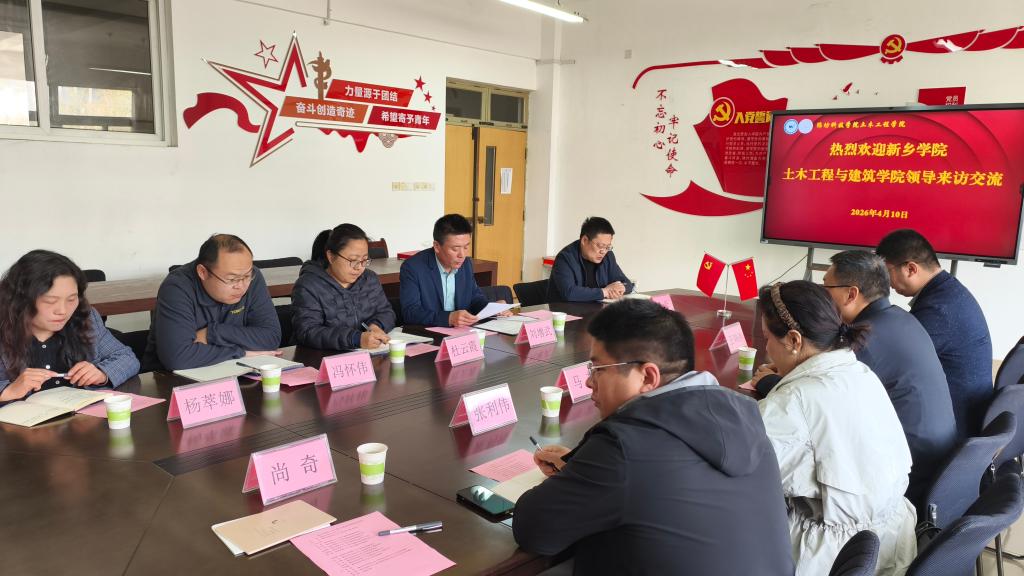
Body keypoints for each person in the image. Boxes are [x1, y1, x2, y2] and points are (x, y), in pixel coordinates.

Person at [513, 299, 794, 576]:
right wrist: (583, 467)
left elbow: (534, 529)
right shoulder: (746, 422)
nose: (588, 382)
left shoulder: (624, 447)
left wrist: (589, 468)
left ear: (648, 377)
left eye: (597, 369)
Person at [755, 251, 957, 513]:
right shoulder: (896, 320)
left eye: (826, 288)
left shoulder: (866, 344)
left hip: (899, 478)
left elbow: (815, 405)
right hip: (909, 476)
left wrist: (771, 382)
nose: (822, 296)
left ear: (851, 294)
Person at [756, 281, 916, 576]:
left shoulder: (793, 403)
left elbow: (744, 474)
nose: (766, 349)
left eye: (767, 338)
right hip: (888, 547)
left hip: (827, 558)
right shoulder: (860, 373)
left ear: (793, 339)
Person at [876, 229, 993, 439]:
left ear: (911, 268)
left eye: (887, 273)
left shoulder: (938, 310)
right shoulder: (948, 291)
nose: (888, 285)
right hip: (968, 414)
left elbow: (893, 363)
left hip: (954, 428)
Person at [0, 250, 139, 402]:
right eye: (50, 301)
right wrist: (8, 391)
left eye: (71, 299)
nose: (63, 311)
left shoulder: (85, 318)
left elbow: (127, 358)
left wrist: (102, 373)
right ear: (21, 300)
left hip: (81, 415)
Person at [144, 234, 281, 371]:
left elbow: (271, 338)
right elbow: (178, 358)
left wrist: (212, 333)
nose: (241, 286)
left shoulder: (252, 278)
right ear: (203, 272)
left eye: (246, 276)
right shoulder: (177, 287)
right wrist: (241, 353)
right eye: (232, 279)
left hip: (231, 372)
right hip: (169, 379)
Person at [291, 224, 395, 350]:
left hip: (368, 355)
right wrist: (355, 339)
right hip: (322, 357)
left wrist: (376, 326)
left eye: (364, 260)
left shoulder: (369, 279)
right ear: (331, 256)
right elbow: (308, 332)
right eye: (353, 260)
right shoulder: (308, 286)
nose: (359, 267)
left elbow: (386, 311)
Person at [399, 214, 512, 327]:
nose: (462, 255)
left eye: (466, 247)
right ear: (437, 246)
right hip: (428, 332)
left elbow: (474, 298)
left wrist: (493, 309)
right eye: (455, 249)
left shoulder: (466, 264)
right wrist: (448, 318)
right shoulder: (413, 268)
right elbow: (410, 312)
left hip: (462, 332)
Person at [547, 216, 633, 302]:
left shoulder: (608, 256)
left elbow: (627, 283)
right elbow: (569, 292)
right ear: (584, 240)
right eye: (601, 246)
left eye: (607, 247)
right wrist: (604, 292)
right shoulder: (565, 258)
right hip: (565, 309)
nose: (603, 251)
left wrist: (621, 288)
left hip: (597, 308)